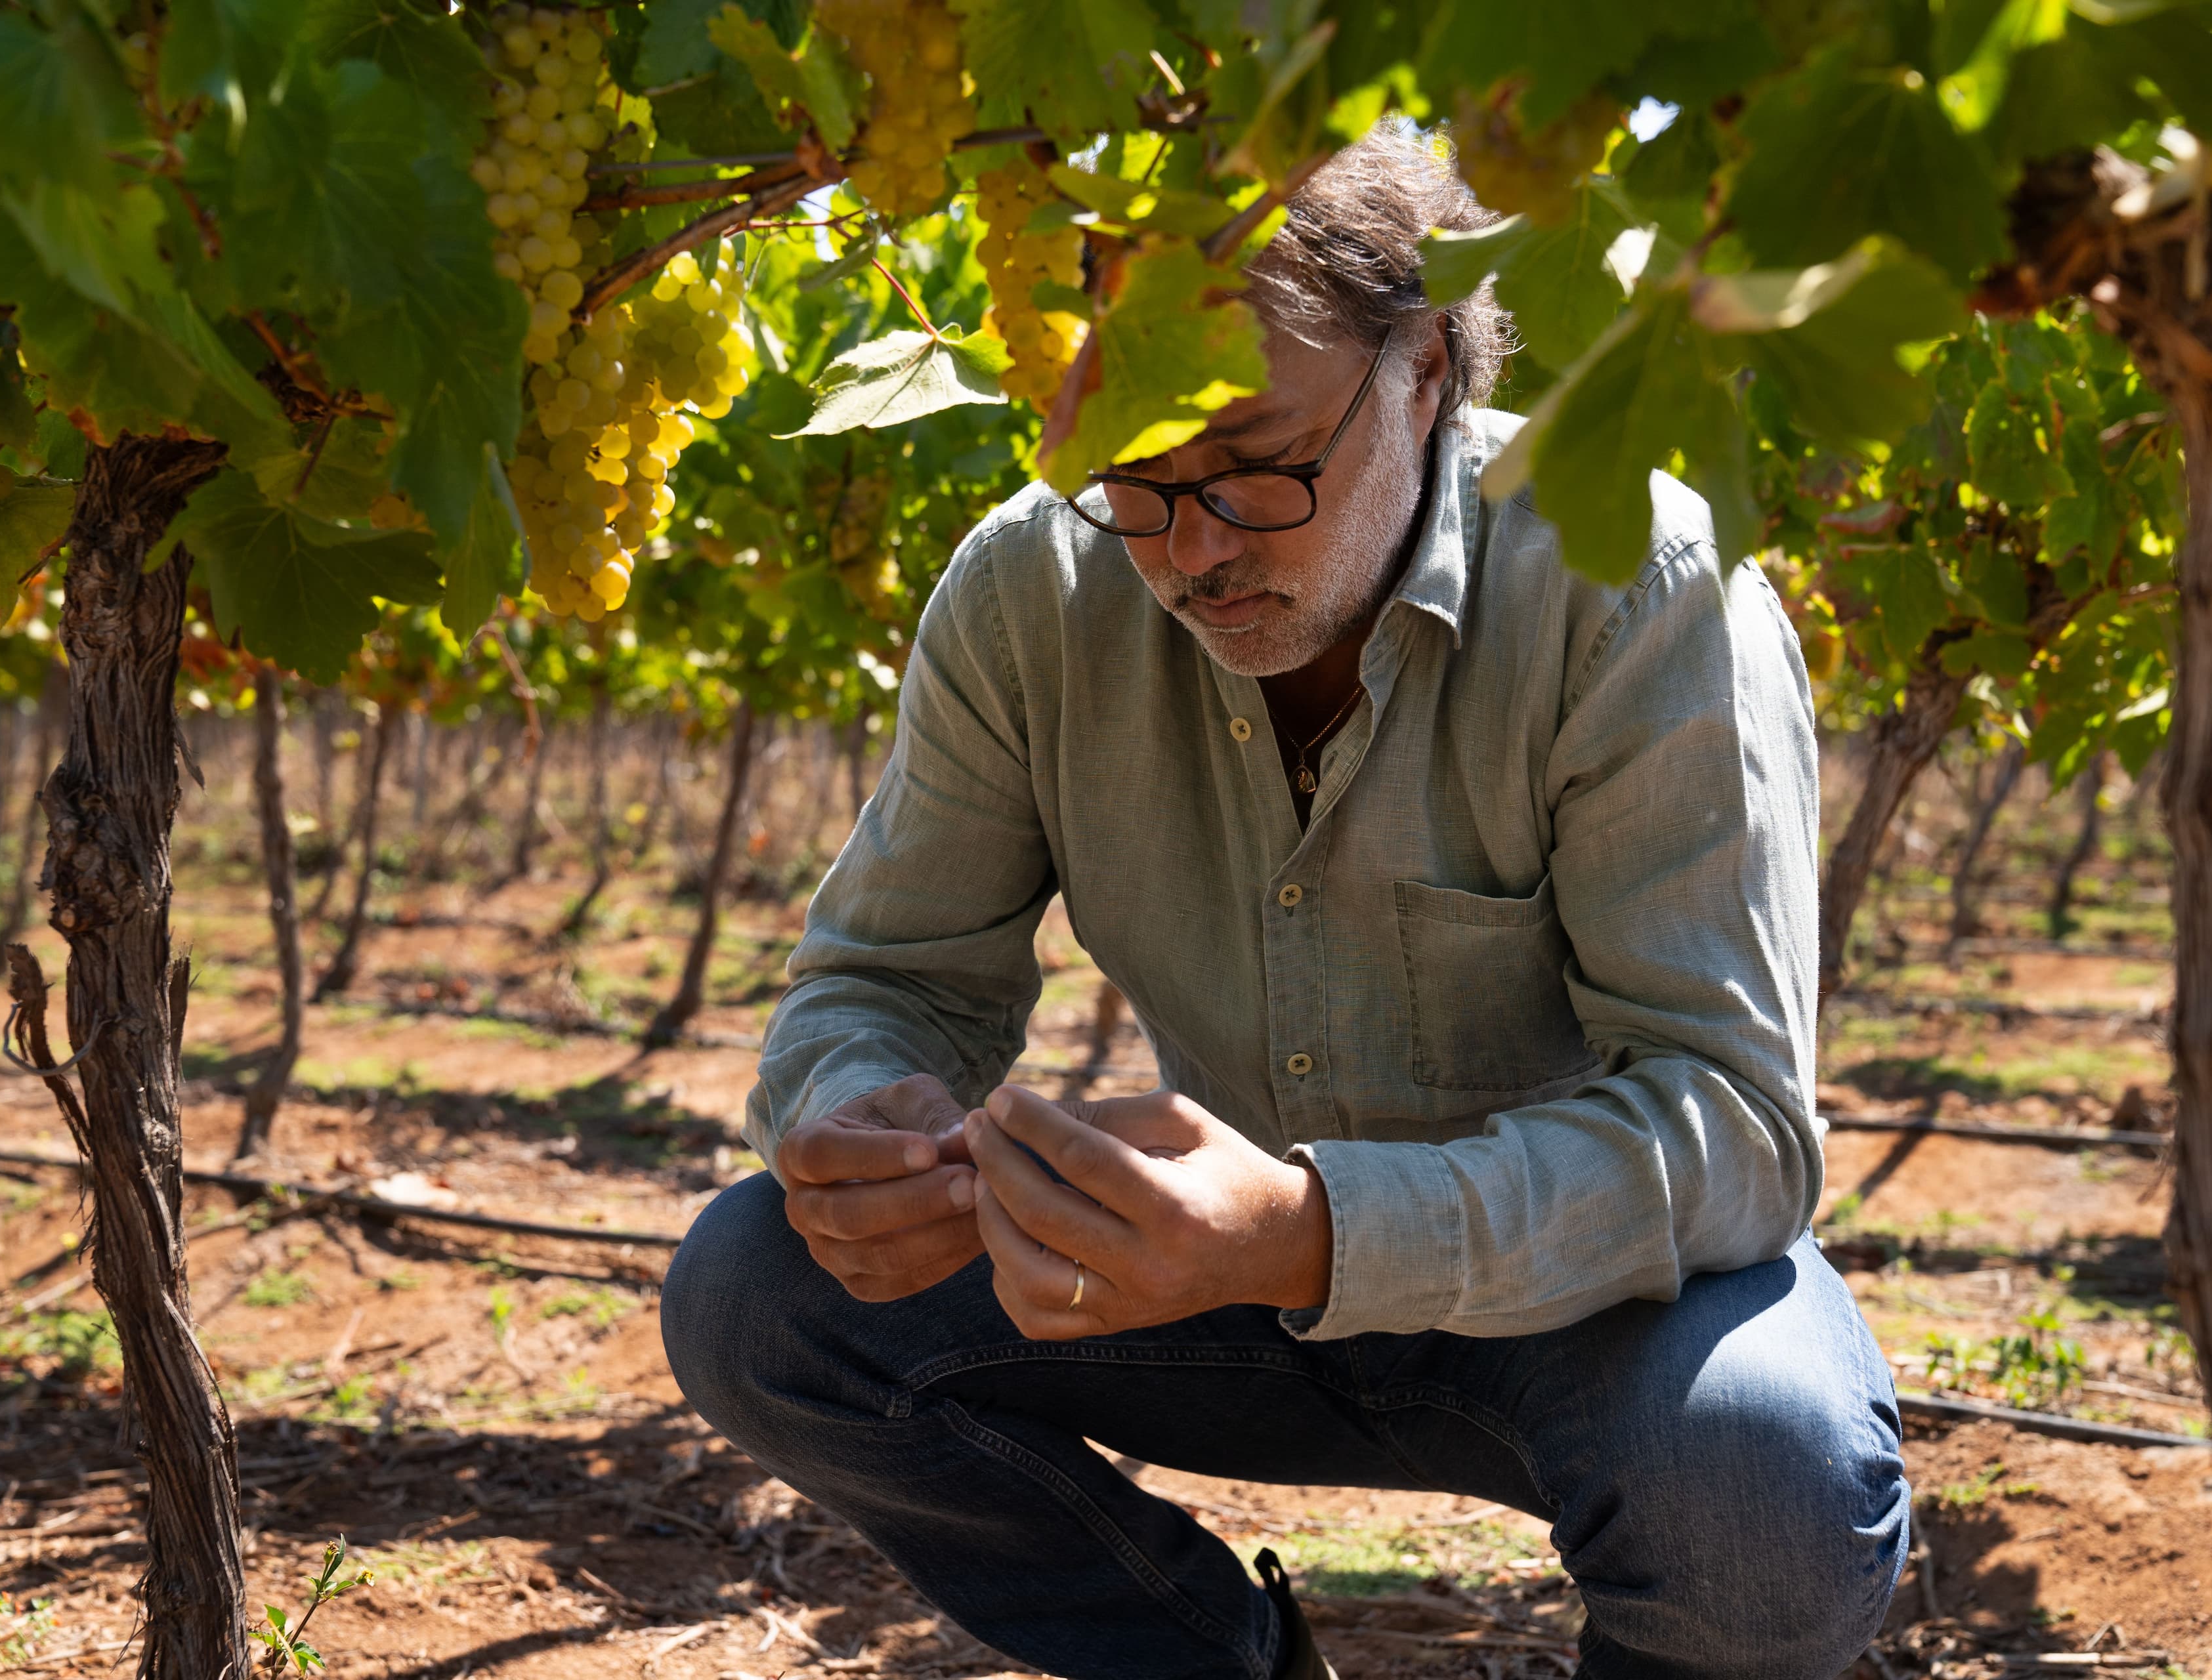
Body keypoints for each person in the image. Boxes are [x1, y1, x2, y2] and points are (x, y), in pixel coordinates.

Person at [662, 128, 1907, 1680]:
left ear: (1427, 367)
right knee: (758, 1294)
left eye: (1260, 464)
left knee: (1765, 1483)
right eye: (1136, 472)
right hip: (1202, 1287)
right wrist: (861, 1113)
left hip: (1593, 1308)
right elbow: (886, 977)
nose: (1193, 549)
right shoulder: (1033, 589)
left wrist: (1311, 1232)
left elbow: (1733, 1127)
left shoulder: (1636, 583)